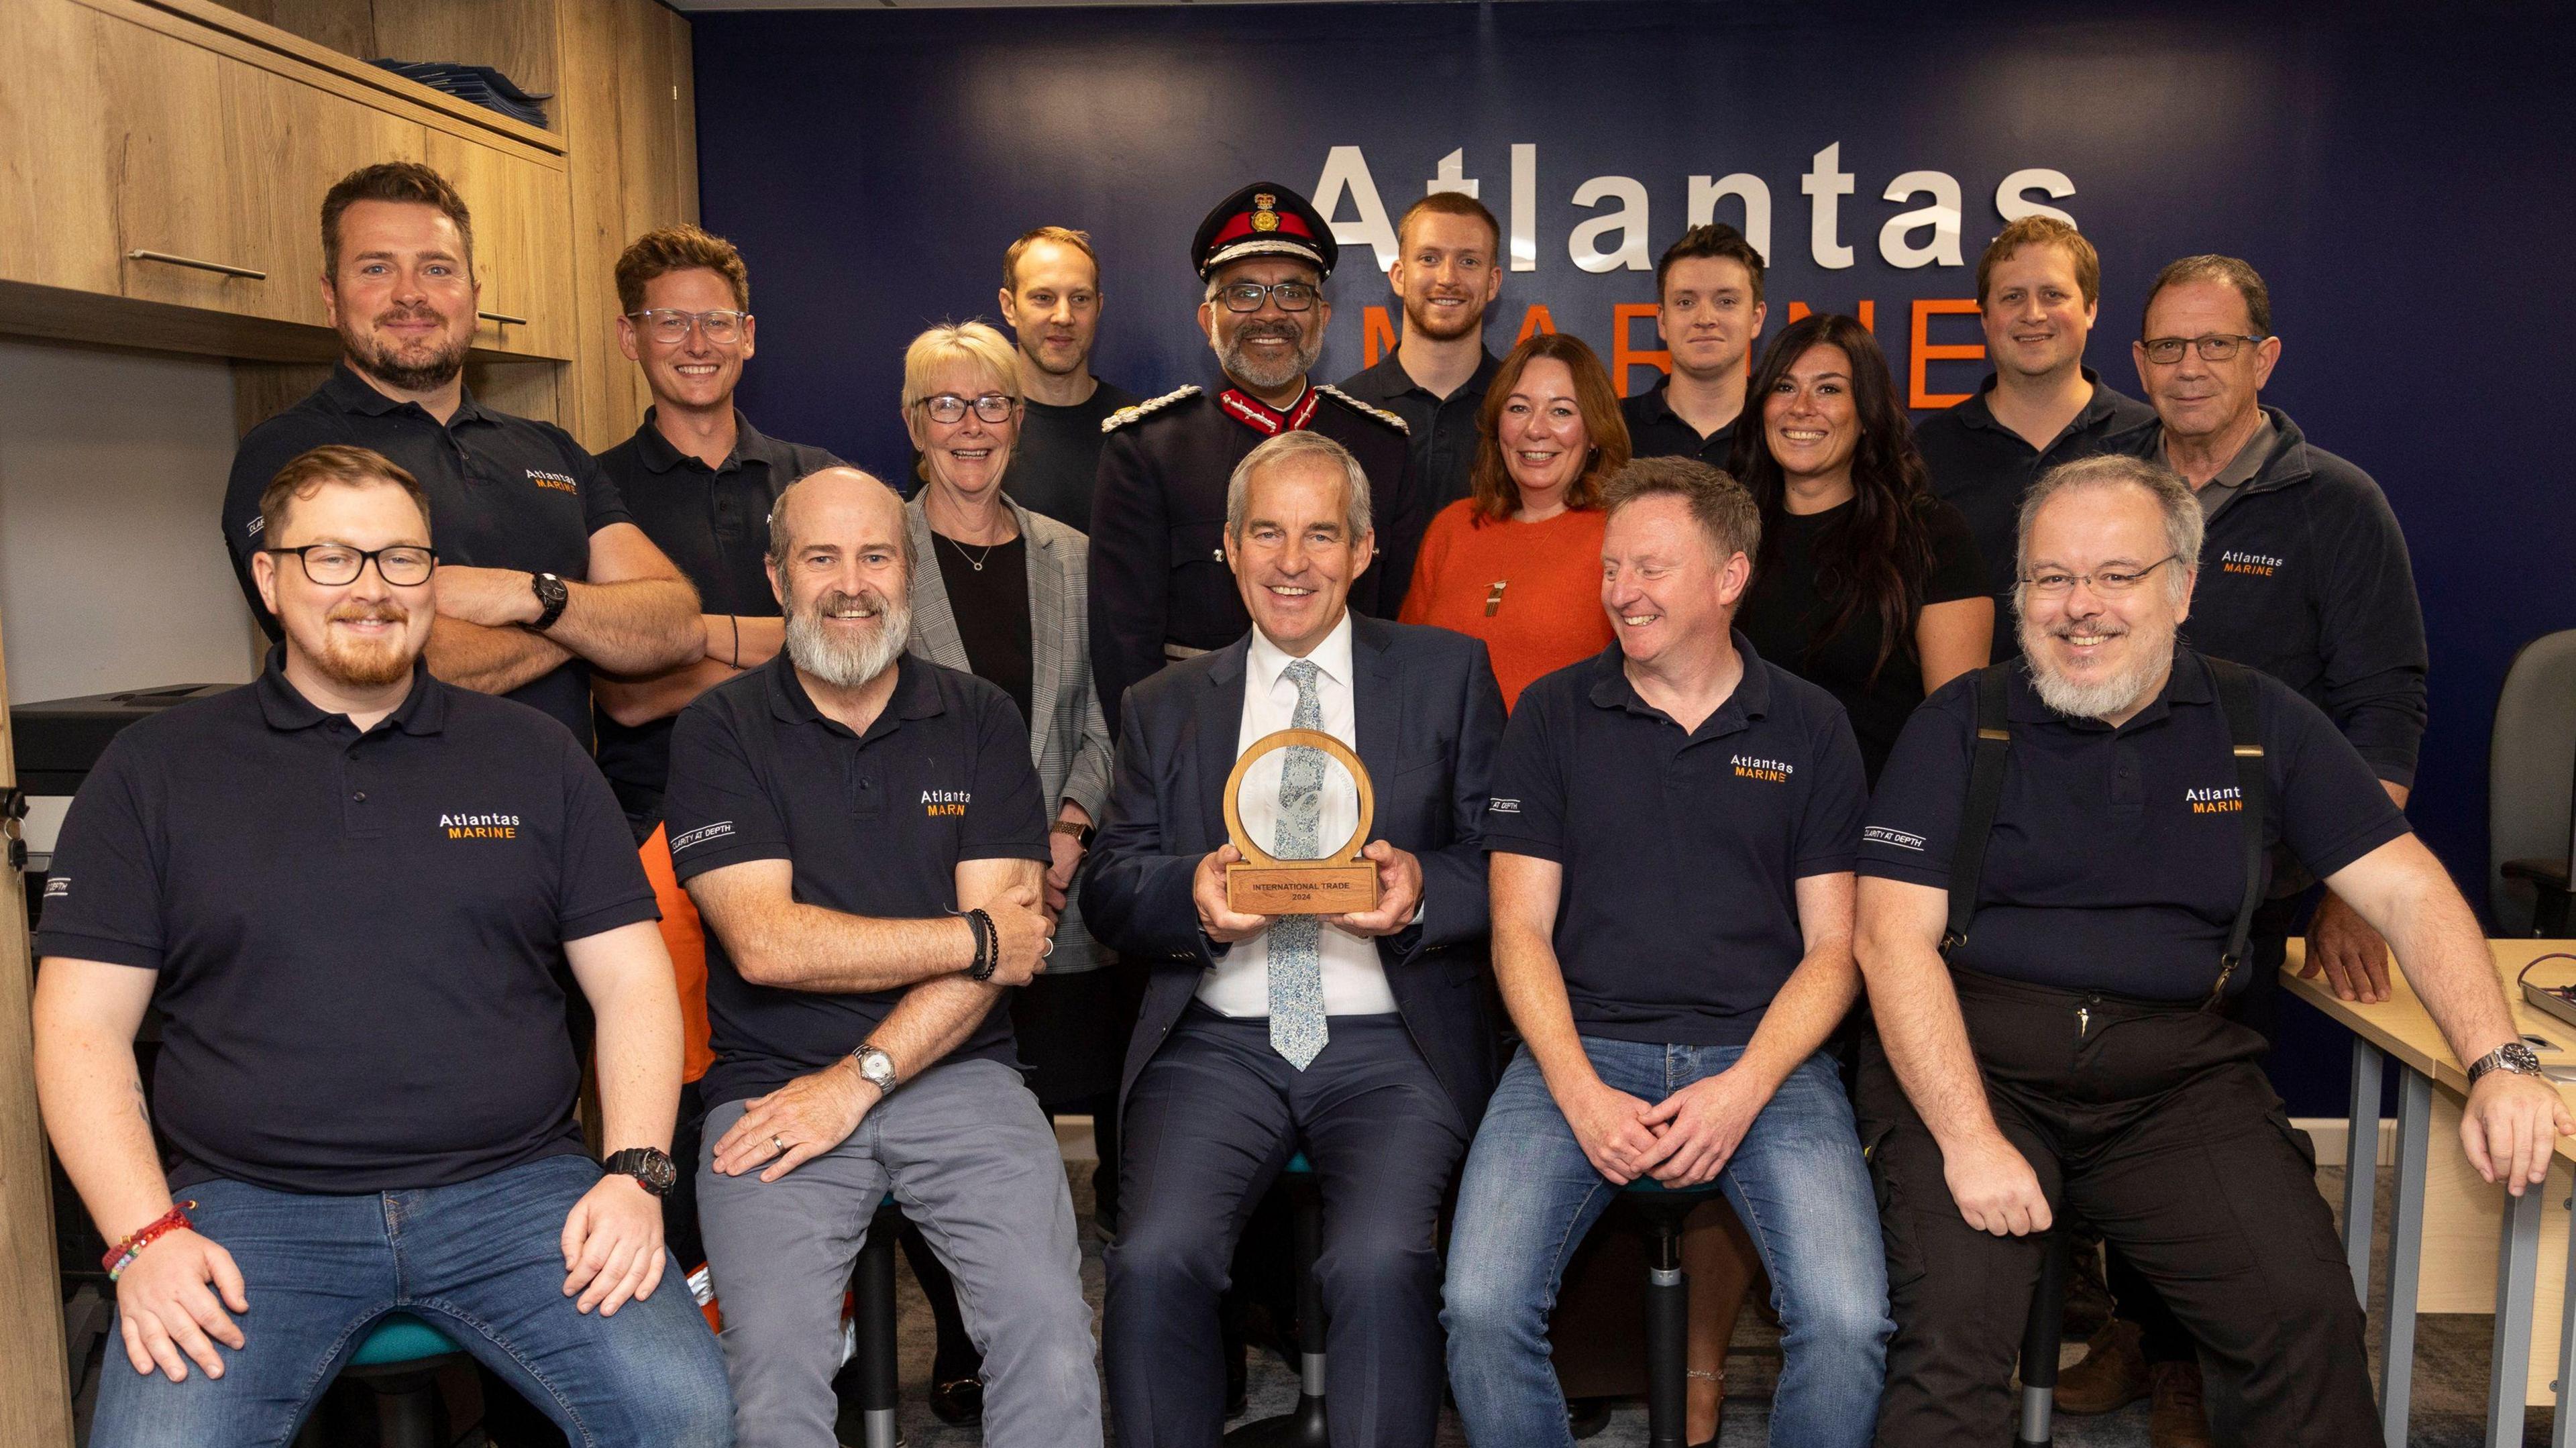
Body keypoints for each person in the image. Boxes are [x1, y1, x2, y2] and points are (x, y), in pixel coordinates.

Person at [1853, 453, 2565, 1447]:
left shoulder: (2259, 720)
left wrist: (2500, 1059)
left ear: (2183, 587)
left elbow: (2406, 887)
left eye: (2117, 574)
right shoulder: (1959, 724)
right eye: (2052, 577)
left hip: (2177, 1083)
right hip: (1973, 1069)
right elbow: (1889, 939)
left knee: (2304, 1321)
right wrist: (1971, 1140)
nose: (2079, 606)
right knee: (1951, 1347)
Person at [34, 445, 729, 1445]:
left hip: (518, 1194)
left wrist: (633, 1172)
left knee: (685, 1412)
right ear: (269, 578)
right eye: (333, 557)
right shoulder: (156, 770)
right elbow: (78, 1025)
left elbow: (631, 981)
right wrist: (143, 1236)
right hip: (251, 1209)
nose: (372, 588)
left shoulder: (536, 757)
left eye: (403, 560)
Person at [1442, 455, 1891, 1448]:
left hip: (1763, 1060)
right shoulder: (1553, 714)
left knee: (1850, 1323)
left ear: (1729, 578)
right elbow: (1518, 928)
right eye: (1612, 567)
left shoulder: (1812, 726)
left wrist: (1743, 1089)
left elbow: (1835, 950)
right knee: (1477, 1307)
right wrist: (1576, 1085)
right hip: (1581, 1046)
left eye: (1651, 567)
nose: (1620, 591)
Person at [2068, 254, 2430, 1438]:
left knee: (2205, 1129)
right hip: (2104, 864)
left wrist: (2349, 884)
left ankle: (2190, 1360)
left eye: (2212, 346)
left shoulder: (2336, 502)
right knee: (2097, 1091)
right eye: (2166, 346)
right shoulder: (2105, 484)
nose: (2186, 367)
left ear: (2262, 359)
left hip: (2255, 879)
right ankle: (2134, 1328)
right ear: (2136, 362)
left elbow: (2384, 702)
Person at [1084, 429, 1505, 1447]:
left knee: (1379, 1259)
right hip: (1221, 1034)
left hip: (1391, 1039)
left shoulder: (1449, 674)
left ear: (1365, 550)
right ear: (1227, 546)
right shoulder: (1166, 704)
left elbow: (1510, 856)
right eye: (1266, 532)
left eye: (1322, 534)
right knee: (1152, 1259)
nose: (1292, 560)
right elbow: (1107, 881)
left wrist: (1418, 889)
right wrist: (1189, 893)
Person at [664, 467, 1100, 1448]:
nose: (851, 582)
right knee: (769, 1379)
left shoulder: (981, 717)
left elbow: (1011, 948)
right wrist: (975, 937)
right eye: (822, 557)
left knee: (1053, 1338)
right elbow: (766, 944)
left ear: (909, 573)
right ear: (778, 577)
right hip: (769, 1089)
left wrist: (861, 1076)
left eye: (876, 555)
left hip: (960, 1072)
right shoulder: (719, 729)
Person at [584, 218, 846, 1322]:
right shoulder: (587, 493)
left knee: (804, 1079)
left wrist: (684, 639)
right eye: (669, 320)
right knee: (674, 1095)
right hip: (644, 839)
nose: (696, 340)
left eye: (717, 321)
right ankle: (685, 1325)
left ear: (749, 336)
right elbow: (624, 690)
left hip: (816, 831)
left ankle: (813, 1323)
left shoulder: (816, 481)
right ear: (629, 337)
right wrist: (773, 646)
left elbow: (850, 652)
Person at [221, 162, 702, 747]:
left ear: (473, 298)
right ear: (331, 295)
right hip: (390, 822)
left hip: (563, 814)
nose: (410, 294)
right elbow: (391, 658)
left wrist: (522, 594)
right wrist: (586, 627)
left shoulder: (551, 448)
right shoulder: (289, 453)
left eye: (436, 268)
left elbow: (674, 623)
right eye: (377, 268)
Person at [896, 320, 1121, 1424]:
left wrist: (1070, 827)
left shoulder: (1074, 555)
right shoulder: (873, 553)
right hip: (924, 897)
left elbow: (1102, 713)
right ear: (913, 423)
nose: (970, 424)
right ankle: (964, 1332)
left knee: (1097, 1104)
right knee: (945, 1124)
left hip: (1062, 889)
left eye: (990, 403)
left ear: (1020, 421)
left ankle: (1094, 1330)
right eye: (946, 404)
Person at [1089, 180, 1425, 735]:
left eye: (1293, 293)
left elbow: (1398, 628)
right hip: (1200, 744)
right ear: (1207, 320)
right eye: (1243, 293)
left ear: (1323, 316)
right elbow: (1124, 650)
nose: (1270, 315)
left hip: (1352, 741)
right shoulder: (1147, 451)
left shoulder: (1381, 450)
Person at [1731, 313, 1991, 781]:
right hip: (1745, 824)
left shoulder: (1930, 535)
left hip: (1877, 824)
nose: (1802, 408)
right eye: (1785, 387)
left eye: (1828, 389)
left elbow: (1957, 730)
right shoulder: (1729, 533)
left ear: (1867, 413)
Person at [1913, 216, 2156, 662]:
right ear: (1985, 317)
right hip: (1973, 722)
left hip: (2125, 722)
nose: (2033, 314)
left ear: (2091, 308)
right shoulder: (1925, 453)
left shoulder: (2150, 443)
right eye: (2012, 297)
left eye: (2053, 294)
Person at [1397, 333, 1625, 710]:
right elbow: (1406, 669)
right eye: (1519, 408)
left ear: (1595, 433)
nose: (1535, 429)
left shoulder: (1620, 536)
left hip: (1563, 764)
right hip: (1450, 764)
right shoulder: (1452, 528)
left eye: (1562, 411)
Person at [1338, 191, 1507, 514]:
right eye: (1429, 258)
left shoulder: (1521, 410)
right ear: (1399, 276)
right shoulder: (1345, 411)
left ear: (1492, 282)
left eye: (1468, 261)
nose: (1448, 279)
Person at [994, 225, 1137, 533]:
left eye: (1080, 299)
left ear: (1099, 306)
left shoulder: (1141, 429)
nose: (1063, 316)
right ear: (1010, 307)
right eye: (1043, 298)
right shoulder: (971, 430)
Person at [1622, 225, 1769, 464]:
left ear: (1756, 319)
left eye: (1726, 301)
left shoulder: (1785, 430)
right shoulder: (1614, 429)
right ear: (1662, 320)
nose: (1705, 319)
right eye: (1685, 302)